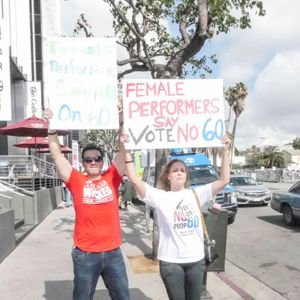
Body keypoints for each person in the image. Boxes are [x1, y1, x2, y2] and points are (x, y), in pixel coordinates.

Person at [124, 134, 231, 300]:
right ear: (168, 175)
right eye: (175, 170)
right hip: (171, 263)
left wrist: (224, 151)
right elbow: (135, 181)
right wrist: (126, 151)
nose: (179, 173)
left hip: (196, 262)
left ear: (187, 176)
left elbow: (224, 180)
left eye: (183, 170)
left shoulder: (197, 194)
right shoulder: (161, 197)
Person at [44, 108, 130, 300]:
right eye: (88, 159)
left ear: (102, 161)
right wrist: (51, 128)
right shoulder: (76, 180)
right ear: (82, 163)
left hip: (113, 253)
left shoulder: (112, 177)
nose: (93, 161)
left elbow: (123, 152)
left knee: (123, 297)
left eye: (97, 158)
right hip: (85, 255)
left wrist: (122, 123)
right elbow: (57, 156)